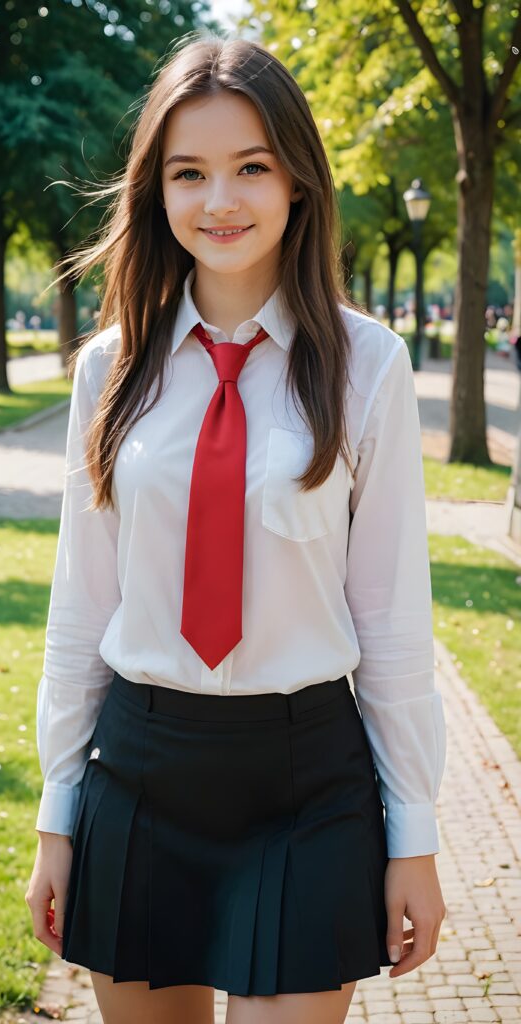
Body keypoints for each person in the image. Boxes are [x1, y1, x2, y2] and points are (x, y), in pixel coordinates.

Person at [25, 32, 447, 1024]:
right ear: (156, 191)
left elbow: (392, 623)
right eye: (189, 172)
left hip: (308, 783)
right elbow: (81, 608)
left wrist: (414, 835)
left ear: (297, 179)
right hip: (140, 772)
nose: (221, 200)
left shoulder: (369, 367)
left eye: (251, 167)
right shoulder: (110, 370)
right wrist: (57, 814)